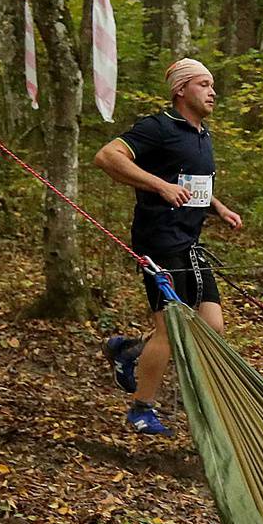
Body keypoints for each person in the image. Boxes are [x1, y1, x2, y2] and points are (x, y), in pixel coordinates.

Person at [92, 57, 244, 435]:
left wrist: (218, 207)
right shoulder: (158, 127)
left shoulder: (201, 134)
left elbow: (190, 184)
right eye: (203, 84)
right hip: (159, 240)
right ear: (181, 90)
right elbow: (107, 157)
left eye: (212, 85)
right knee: (170, 329)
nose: (213, 91)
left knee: (211, 326)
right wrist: (159, 186)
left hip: (190, 243)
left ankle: (129, 352)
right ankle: (140, 409)